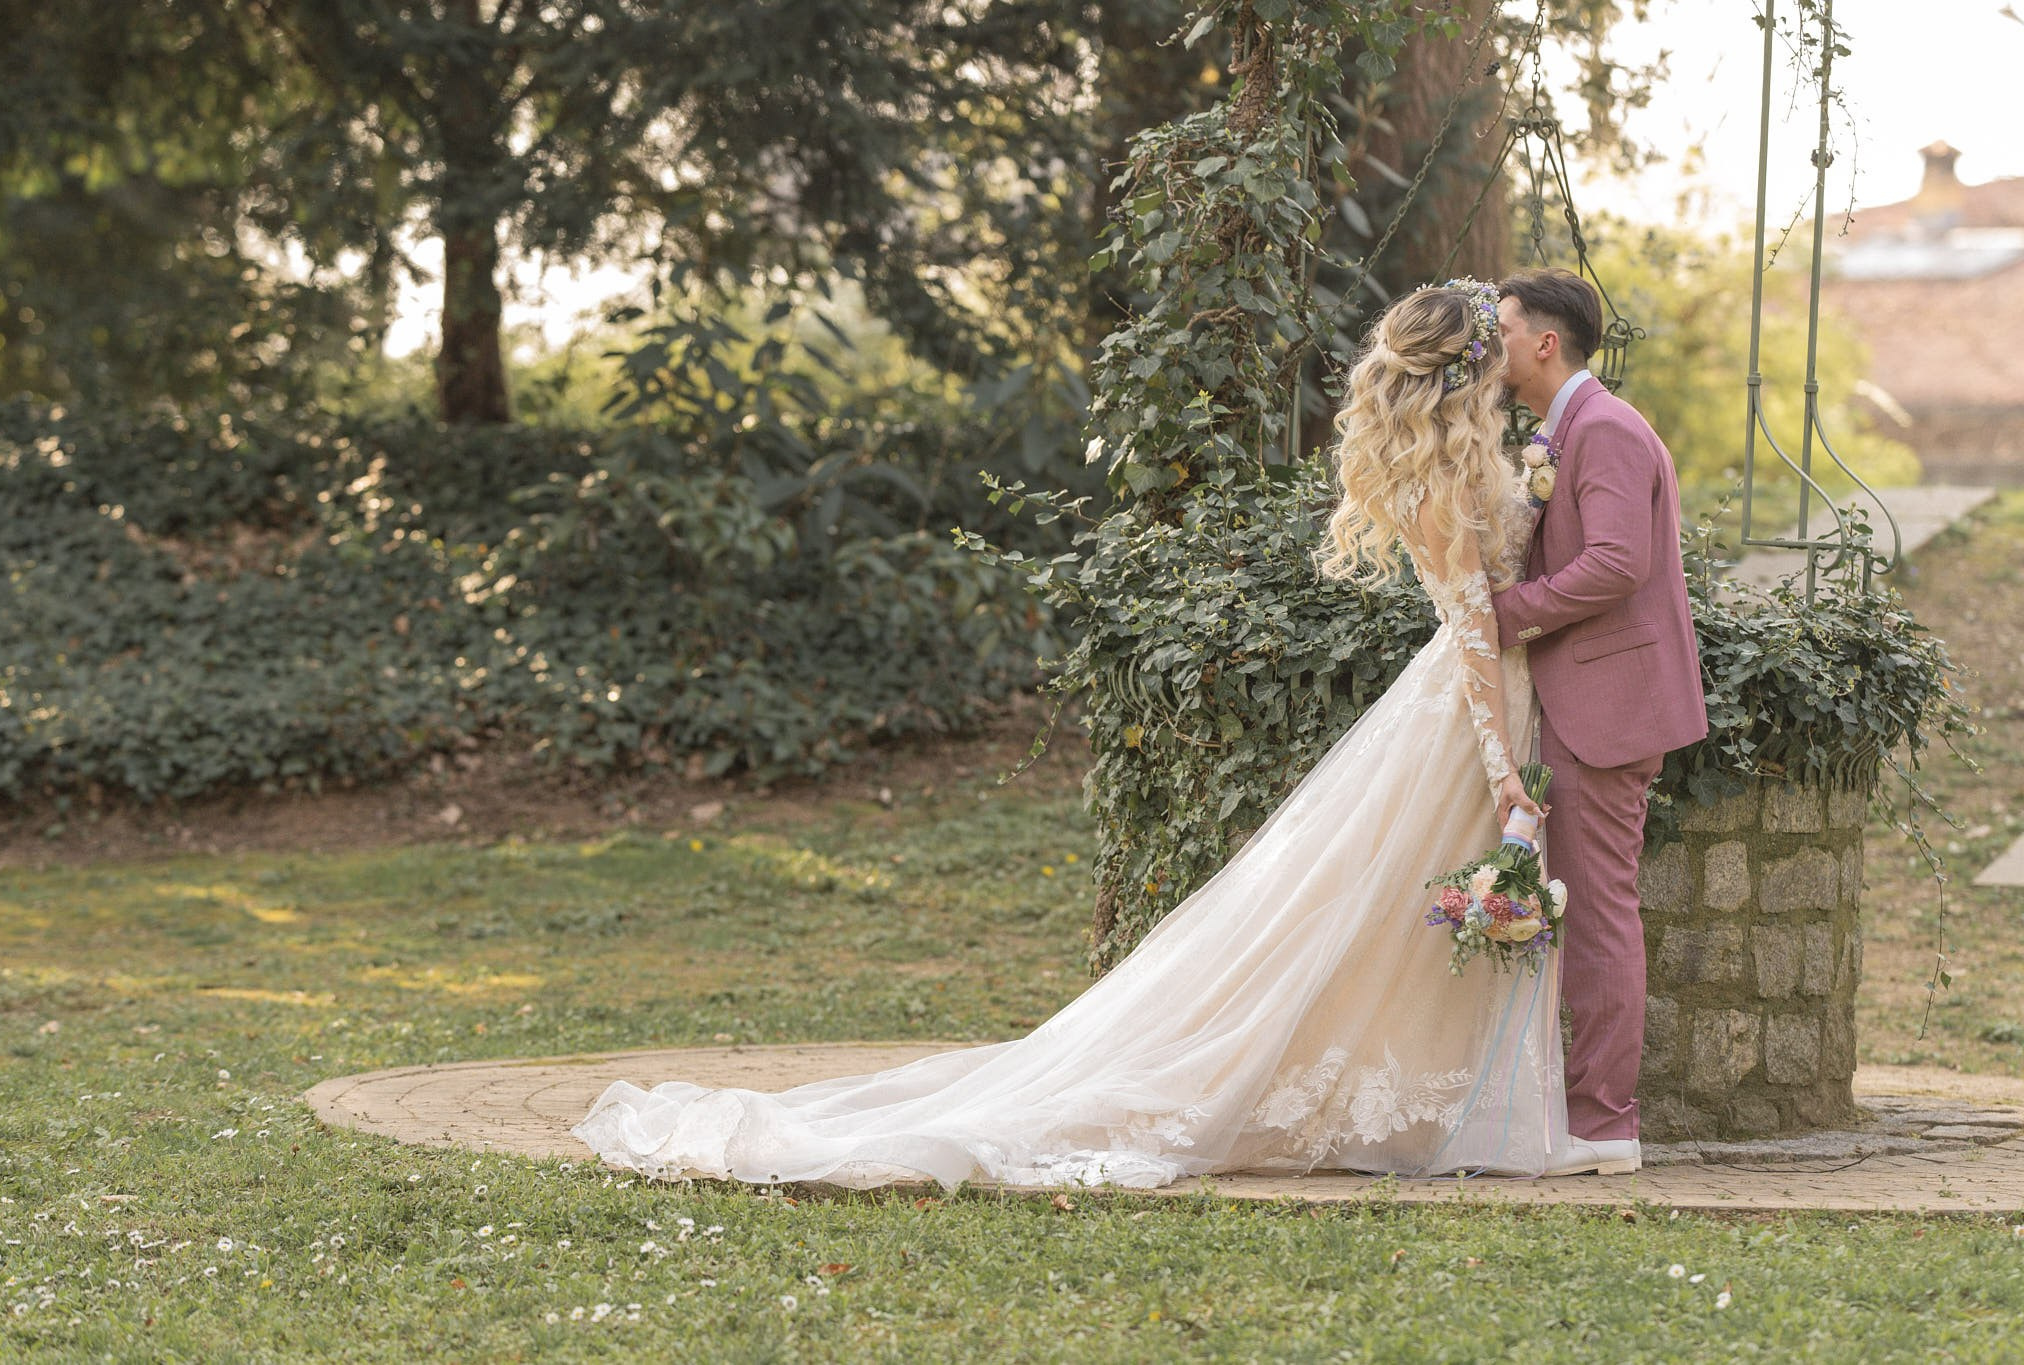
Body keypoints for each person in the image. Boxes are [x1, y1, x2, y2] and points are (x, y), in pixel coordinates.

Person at [572, 279, 1586, 1189]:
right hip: (1463, 712)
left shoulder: (1458, 461)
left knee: (1374, 921)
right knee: (1379, 912)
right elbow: (1468, 631)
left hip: (1467, 701)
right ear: (1472, 368)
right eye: (1494, 343)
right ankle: (1402, 1102)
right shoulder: (1450, 480)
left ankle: (1421, 1098)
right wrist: (1504, 779)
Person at [1490, 268, 1709, 1175]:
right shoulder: (1565, 428)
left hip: (1606, 710)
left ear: (1546, 341)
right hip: (1579, 699)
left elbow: (1618, 562)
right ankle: (1578, 1113)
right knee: (1585, 909)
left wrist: (1508, 612)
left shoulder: (1606, 429)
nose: (1487, 344)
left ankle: (1604, 1125)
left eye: (1500, 329)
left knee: (1602, 914)